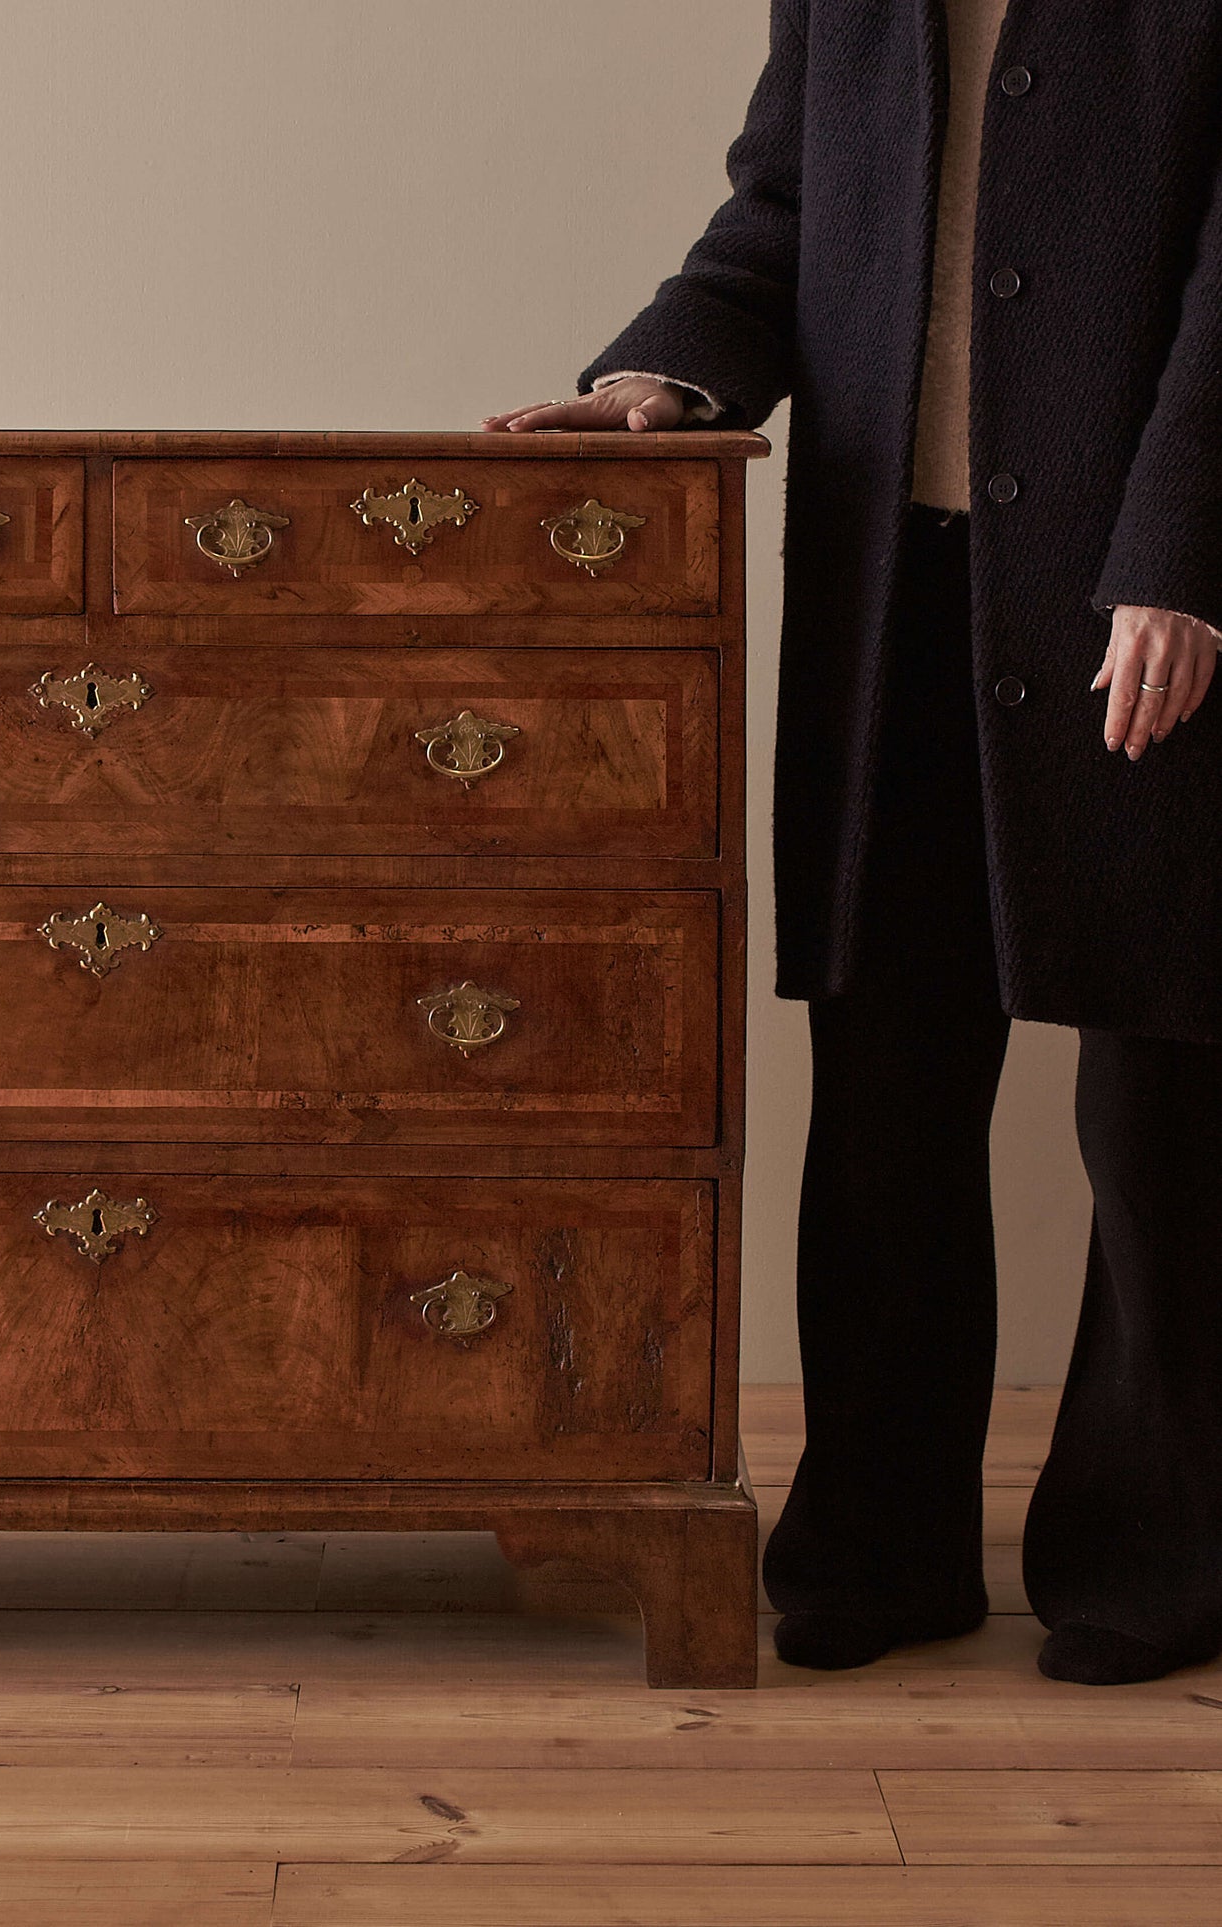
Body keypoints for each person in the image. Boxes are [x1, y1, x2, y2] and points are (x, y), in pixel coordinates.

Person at [481, 0, 1222, 1686]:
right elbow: (782, 209)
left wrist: (1186, 550)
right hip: (894, 579)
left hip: (1134, 583)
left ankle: (1155, 1548)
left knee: (1159, 1092)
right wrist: (658, 372)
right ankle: (879, 1541)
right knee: (883, 1067)